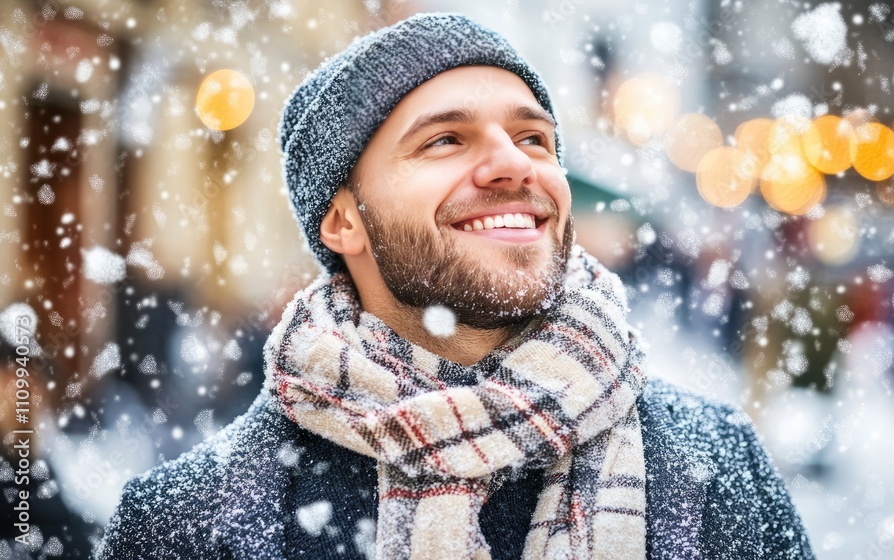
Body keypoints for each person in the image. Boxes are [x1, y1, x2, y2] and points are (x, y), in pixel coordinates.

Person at [97, 13, 813, 559]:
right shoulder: (189, 519)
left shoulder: (713, 464)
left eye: (534, 139)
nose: (514, 165)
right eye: (445, 139)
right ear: (344, 220)